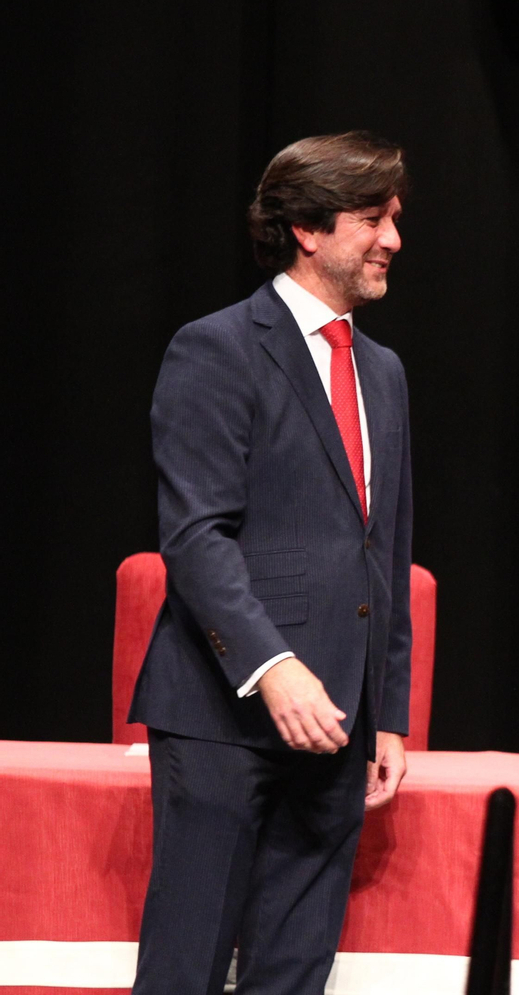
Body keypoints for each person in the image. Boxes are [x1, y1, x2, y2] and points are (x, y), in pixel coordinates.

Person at [128, 132, 414, 994]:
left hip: (338, 719)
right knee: (188, 963)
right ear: (307, 229)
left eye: (395, 218)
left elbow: (387, 550)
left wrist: (387, 712)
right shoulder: (216, 346)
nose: (393, 239)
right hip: (225, 709)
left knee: (295, 970)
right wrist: (272, 669)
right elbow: (194, 537)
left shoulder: (383, 370)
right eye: (373, 218)